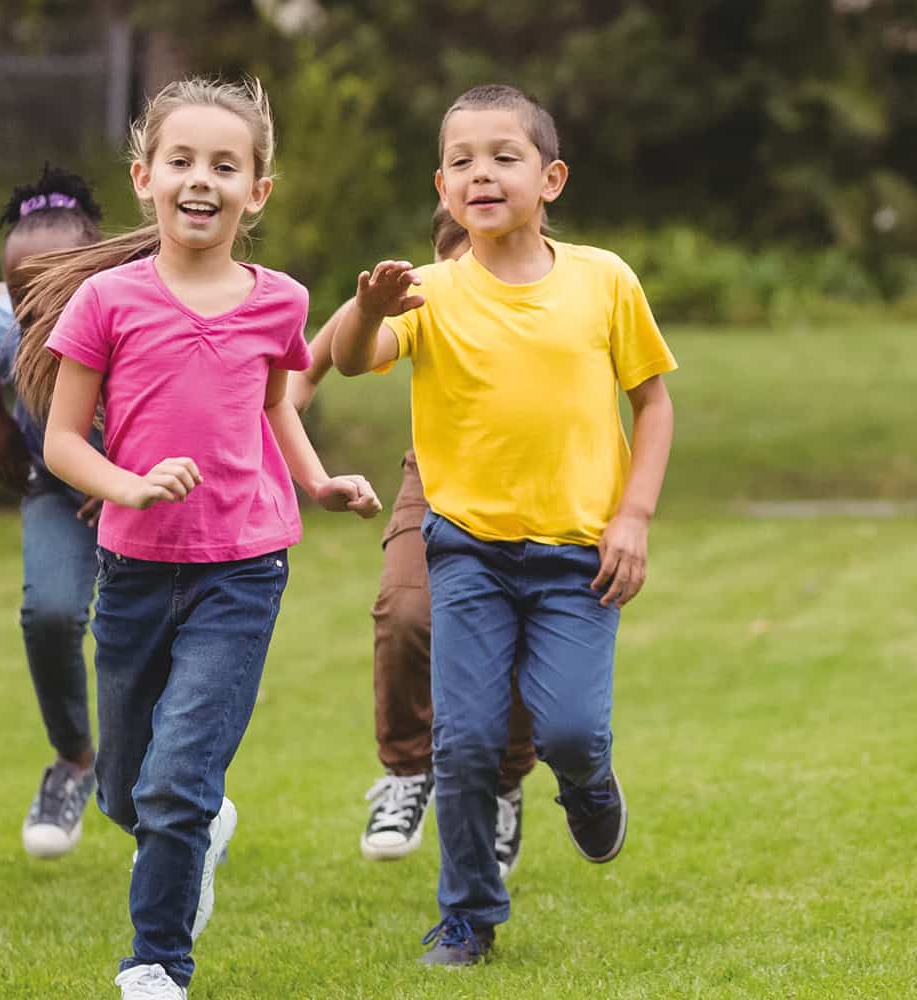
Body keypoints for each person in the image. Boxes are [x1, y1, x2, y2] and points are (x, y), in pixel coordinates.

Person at [12, 77, 381, 999]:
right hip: (134, 572)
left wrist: (317, 479)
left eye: (225, 165)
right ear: (145, 177)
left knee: (175, 783)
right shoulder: (104, 301)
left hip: (242, 571)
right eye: (182, 161)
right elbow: (62, 443)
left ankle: (156, 966)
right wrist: (130, 484)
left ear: (257, 190)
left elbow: (272, 407)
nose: (200, 180)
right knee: (127, 793)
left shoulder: (279, 302)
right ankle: (199, 829)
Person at [332, 83, 677, 965]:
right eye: (461, 162)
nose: (480, 174)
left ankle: (590, 784)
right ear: (442, 190)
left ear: (551, 177)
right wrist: (372, 305)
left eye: (503, 156)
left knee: (566, 733)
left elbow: (654, 402)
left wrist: (634, 515)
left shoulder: (605, 280)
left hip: (578, 557)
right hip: (467, 553)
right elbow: (347, 357)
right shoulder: (431, 293)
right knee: (468, 739)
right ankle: (468, 919)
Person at [290, 205, 537, 875]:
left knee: (518, 640)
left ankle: (506, 783)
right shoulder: (411, 295)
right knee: (405, 612)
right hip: (435, 481)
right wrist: (270, 451)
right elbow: (308, 369)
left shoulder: (556, 292)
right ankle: (405, 771)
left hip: (536, 494)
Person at [0, 164, 106, 858]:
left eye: (55, 295)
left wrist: (112, 480)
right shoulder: (2, 322)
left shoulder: (131, 323)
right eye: (26, 297)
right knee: (50, 613)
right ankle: (74, 760)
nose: (36, 314)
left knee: (145, 641)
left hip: (143, 490)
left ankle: (176, 800)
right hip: (56, 488)